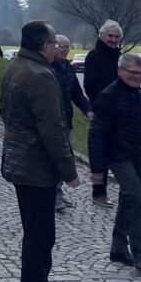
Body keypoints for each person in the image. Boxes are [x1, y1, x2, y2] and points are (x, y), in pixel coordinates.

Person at [0, 20, 81, 282]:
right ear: (44, 45)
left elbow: (5, 111)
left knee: (37, 233)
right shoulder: (41, 76)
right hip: (36, 166)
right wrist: (69, 171)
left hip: (19, 160)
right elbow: (53, 128)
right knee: (40, 237)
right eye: (53, 42)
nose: (56, 47)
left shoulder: (15, 66)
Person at [89, 53, 141, 272]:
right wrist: (97, 169)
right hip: (117, 156)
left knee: (129, 199)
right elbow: (96, 133)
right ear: (120, 71)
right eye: (133, 73)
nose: (137, 77)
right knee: (137, 198)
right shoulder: (108, 96)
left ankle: (118, 248)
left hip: (136, 155)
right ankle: (139, 253)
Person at [50, 35, 93, 211]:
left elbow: (76, 93)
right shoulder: (47, 67)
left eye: (68, 47)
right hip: (51, 121)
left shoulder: (68, 67)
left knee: (63, 157)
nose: (65, 50)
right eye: (62, 46)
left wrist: (88, 110)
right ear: (53, 46)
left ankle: (57, 194)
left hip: (66, 120)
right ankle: (53, 196)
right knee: (55, 158)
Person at [82, 20, 123, 207]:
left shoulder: (119, 56)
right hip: (103, 110)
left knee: (125, 150)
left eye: (117, 37)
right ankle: (99, 192)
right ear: (102, 36)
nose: (113, 39)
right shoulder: (94, 56)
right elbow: (90, 86)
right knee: (102, 152)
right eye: (110, 36)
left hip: (121, 111)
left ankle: (137, 188)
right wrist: (102, 104)